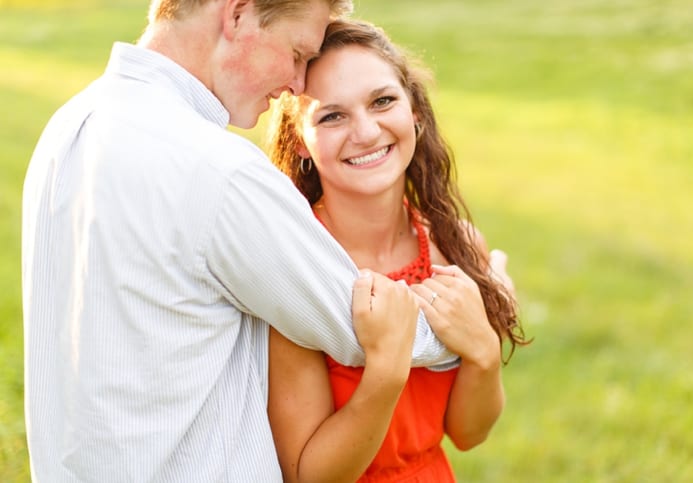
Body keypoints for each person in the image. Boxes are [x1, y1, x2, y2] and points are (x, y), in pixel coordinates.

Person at [20, 1, 462, 481]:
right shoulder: (216, 168)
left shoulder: (70, 125)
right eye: (296, 52)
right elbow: (362, 325)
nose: (297, 82)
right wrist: (476, 316)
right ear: (237, 14)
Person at [265, 18, 528, 482]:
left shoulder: (454, 245)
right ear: (300, 143)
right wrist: (385, 372)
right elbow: (309, 474)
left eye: (382, 101)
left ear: (415, 114)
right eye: (332, 115)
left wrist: (484, 351)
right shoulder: (294, 267)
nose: (366, 132)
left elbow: (468, 433)